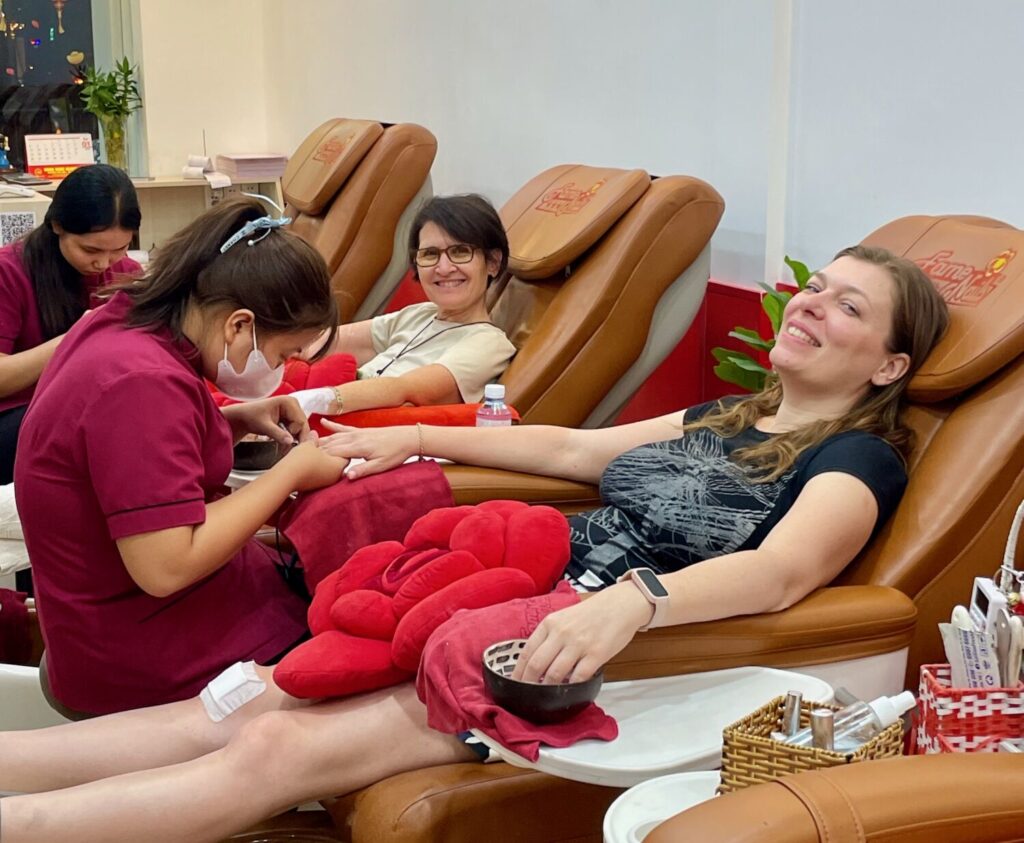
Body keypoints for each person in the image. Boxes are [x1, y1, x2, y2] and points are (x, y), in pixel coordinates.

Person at [0, 245, 949, 842]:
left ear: (892, 365)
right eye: (817, 286)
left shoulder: (859, 456)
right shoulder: (731, 413)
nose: (815, 303)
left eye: (850, 307)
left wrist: (632, 602)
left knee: (276, 746)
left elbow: (783, 573)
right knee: (245, 697)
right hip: (511, 591)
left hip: (586, 648)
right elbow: (570, 449)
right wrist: (414, 433)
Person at [12, 197, 349, 717]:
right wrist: (293, 471)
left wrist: (233, 421)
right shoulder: (140, 382)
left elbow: (123, 457)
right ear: (238, 325)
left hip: (124, 621)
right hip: (141, 656)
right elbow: (165, 567)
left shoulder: (125, 324)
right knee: (358, 652)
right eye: (282, 355)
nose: (281, 369)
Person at [286, 193, 516, 418]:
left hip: (368, 436)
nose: (444, 268)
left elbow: (407, 390)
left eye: (460, 252)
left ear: (493, 263)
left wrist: (307, 401)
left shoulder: (489, 343)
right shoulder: (419, 314)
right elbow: (320, 342)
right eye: (430, 254)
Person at [0, 163, 142, 484]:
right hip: (16, 421)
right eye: (90, 249)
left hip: (90, 411)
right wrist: (75, 338)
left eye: (119, 248)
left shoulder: (127, 274)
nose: (103, 263)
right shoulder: (10, 271)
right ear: (57, 226)